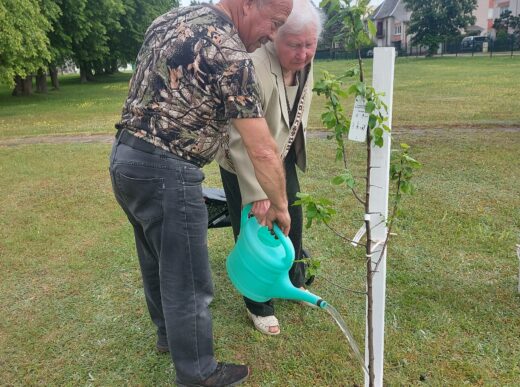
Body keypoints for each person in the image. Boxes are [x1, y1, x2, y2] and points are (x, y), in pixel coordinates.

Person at [108, 1, 293, 386]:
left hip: (125, 159)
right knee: (187, 279)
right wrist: (279, 204)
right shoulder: (230, 53)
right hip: (167, 170)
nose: (272, 35)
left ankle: (167, 337)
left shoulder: (170, 19)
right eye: (273, 22)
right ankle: (198, 374)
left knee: (156, 258)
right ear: (248, 5)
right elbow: (261, 148)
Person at [217, 0, 323, 336]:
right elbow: (240, 139)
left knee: (293, 215)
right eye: (295, 45)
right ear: (274, 36)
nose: (303, 53)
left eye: (310, 44)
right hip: (244, 160)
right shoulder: (252, 66)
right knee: (253, 227)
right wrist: (258, 193)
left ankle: (295, 281)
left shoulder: (306, 59)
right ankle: (257, 304)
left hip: (280, 153)